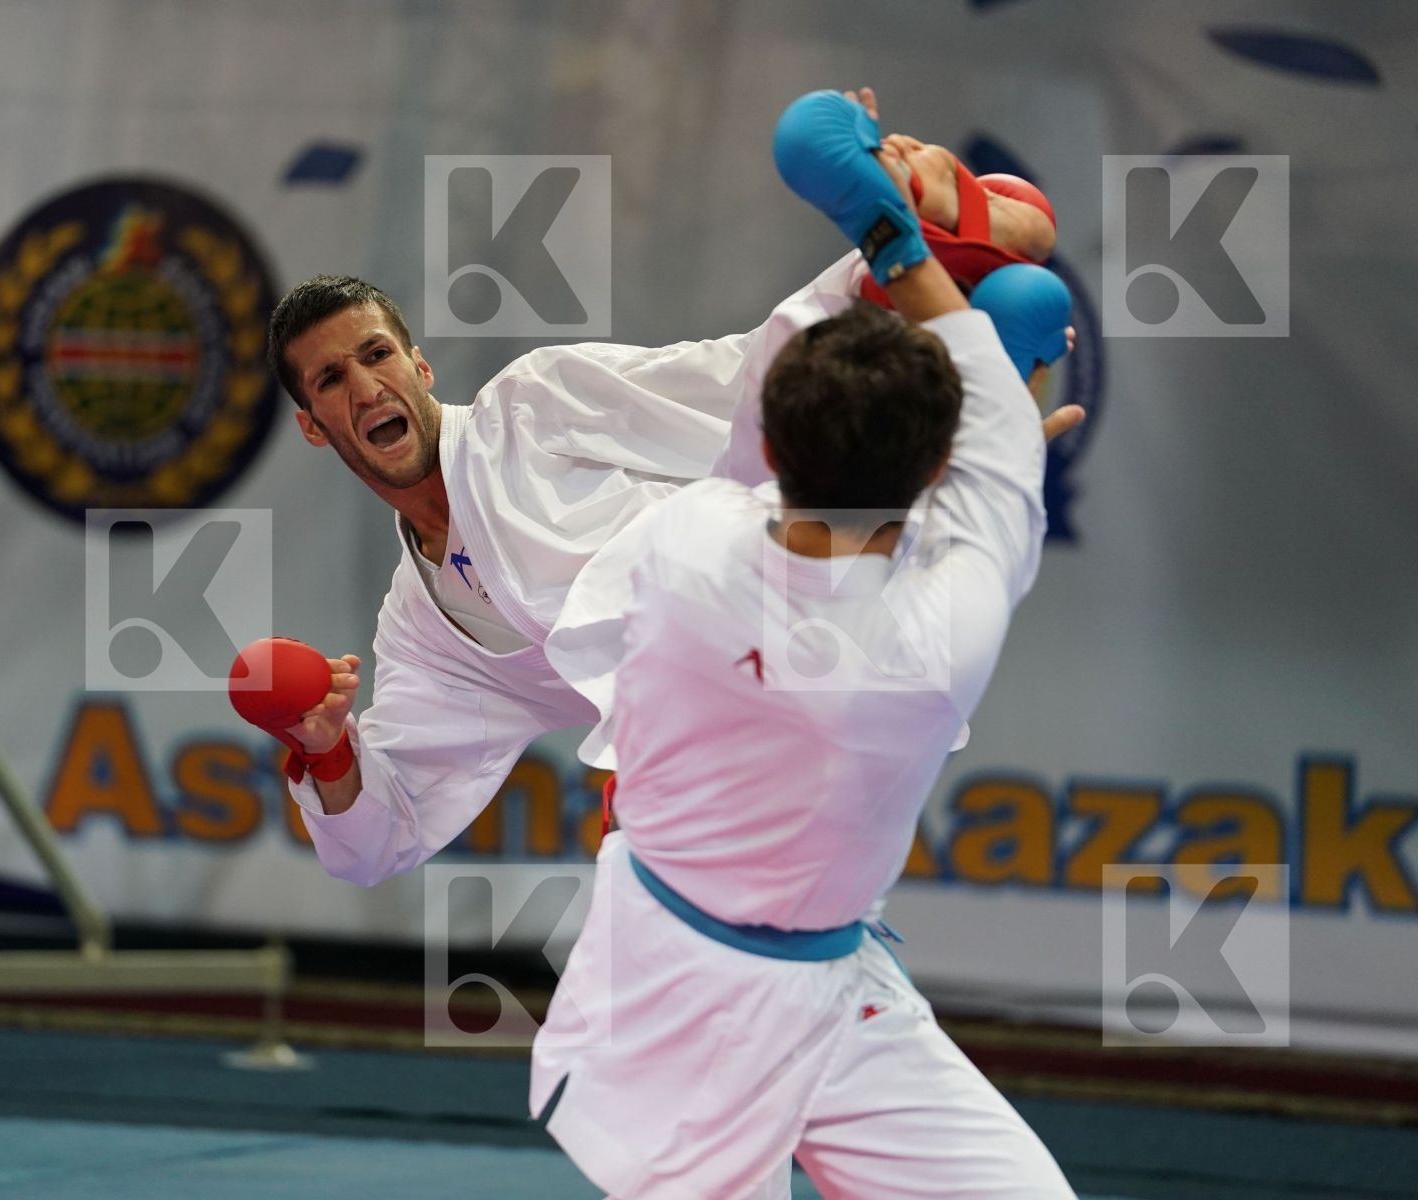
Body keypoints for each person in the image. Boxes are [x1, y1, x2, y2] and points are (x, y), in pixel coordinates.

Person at [252, 87, 1078, 891]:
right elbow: (376, 842)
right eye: (331, 379)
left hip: (779, 623)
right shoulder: (425, 634)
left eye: (377, 356)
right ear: (314, 425)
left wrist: (863, 275)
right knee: (797, 955)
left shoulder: (532, 408)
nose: (365, 388)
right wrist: (327, 750)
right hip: (759, 752)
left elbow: (729, 384)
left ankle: (911, 248)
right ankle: (949, 295)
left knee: (767, 442)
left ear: (419, 367)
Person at [528, 90, 1074, 1197]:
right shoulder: (944, 630)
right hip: (689, 1003)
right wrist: (901, 229)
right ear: (936, 479)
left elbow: (800, 424)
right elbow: (985, 424)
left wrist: (871, 217)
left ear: (777, 446)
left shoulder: (681, 542)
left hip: (797, 980)